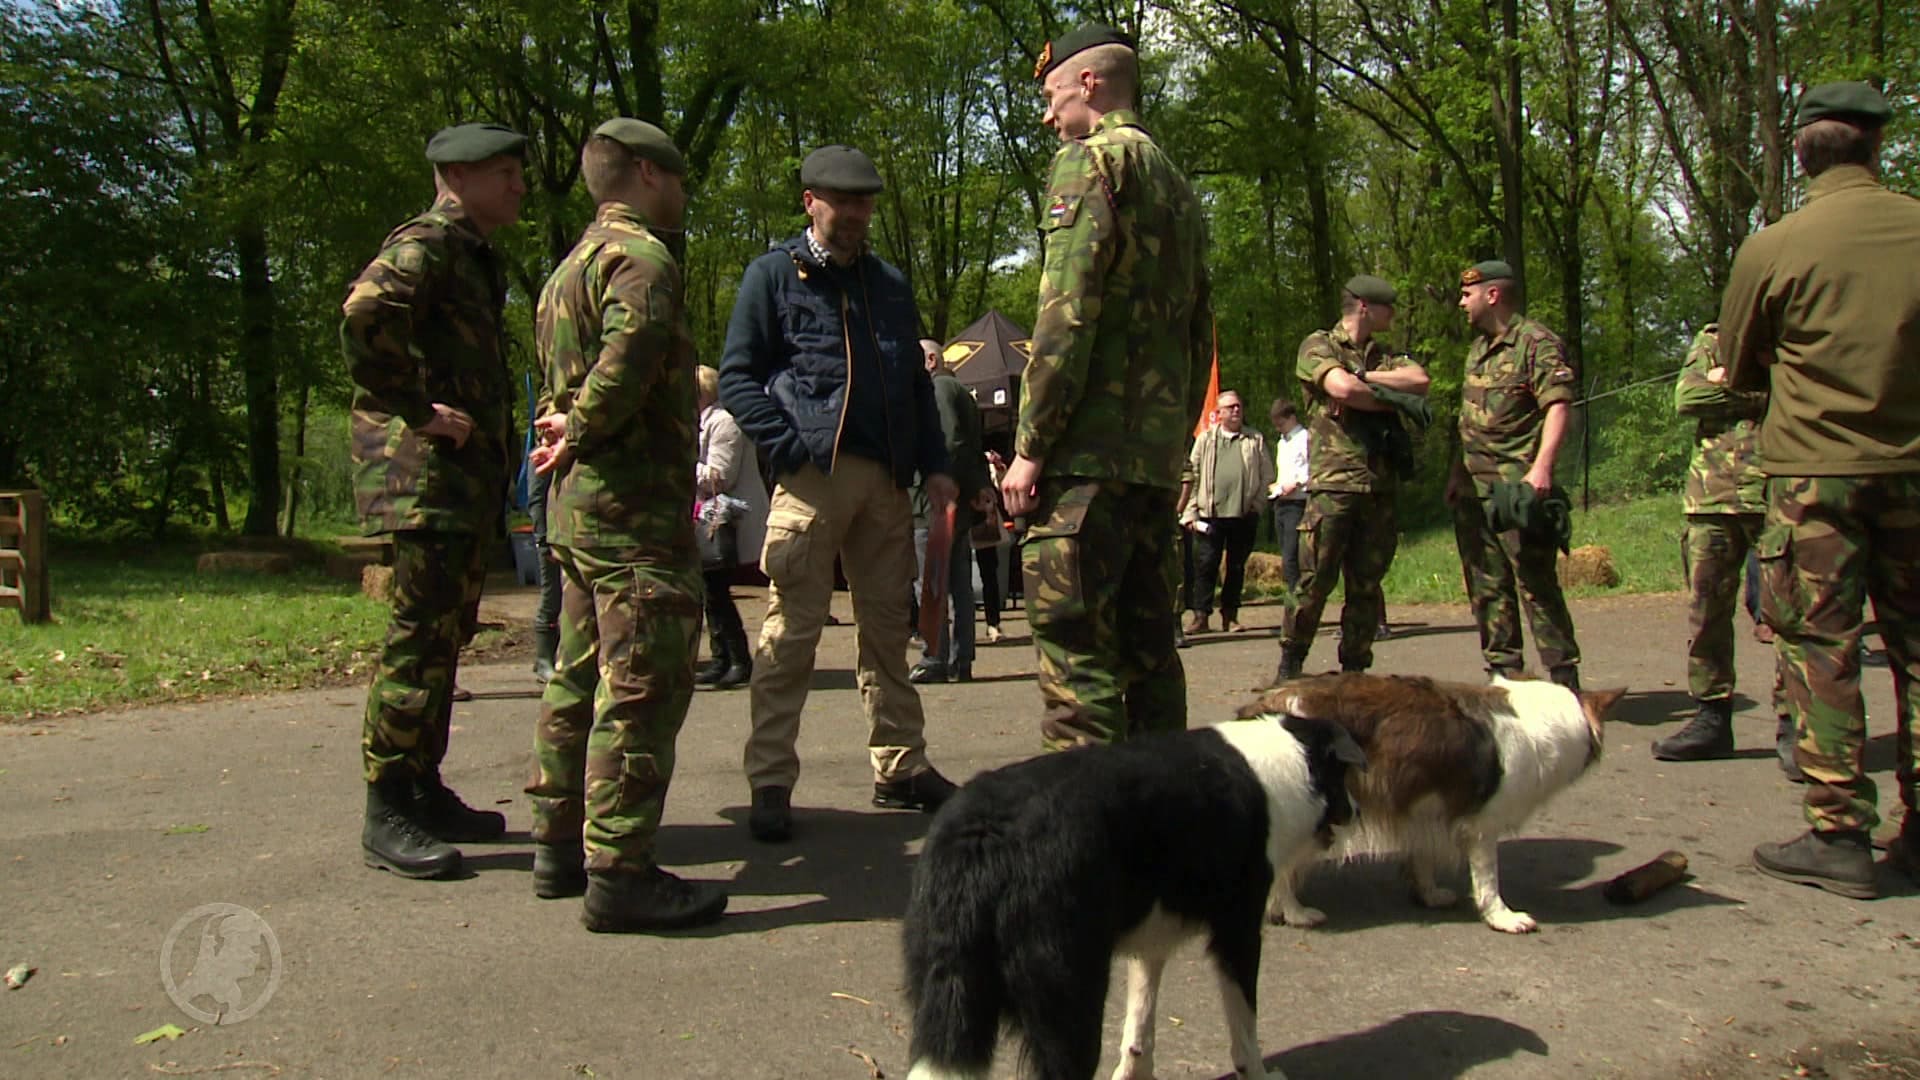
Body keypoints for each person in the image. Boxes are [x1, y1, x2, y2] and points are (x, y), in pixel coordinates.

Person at [717, 144, 960, 843]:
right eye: (841, 201)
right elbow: (737, 378)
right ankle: (770, 779)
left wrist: (936, 463)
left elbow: (916, 387)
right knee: (790, 633)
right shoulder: (772, 275)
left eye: (864, 202)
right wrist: (789, 447)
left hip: (887, 483)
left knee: (887, 631)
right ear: (810, 202)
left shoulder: (889, 284)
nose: (854, 213)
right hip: (812, 479)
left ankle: (900, 766)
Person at [523, 118, 726, 931]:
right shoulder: (641, 258)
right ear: (646, 173)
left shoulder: (565, 269)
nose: (682, 193)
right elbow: (630, 353)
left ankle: (557, 844)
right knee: (641, 682)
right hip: (633, 511)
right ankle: (620, 871)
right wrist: (581, 424)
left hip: (580, 513)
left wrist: (566, 427)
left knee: (576, 675)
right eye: (675, 178)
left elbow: (567, 377)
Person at [1719, 81, 1919, 898]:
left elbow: (1736, 368)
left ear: (1801, 153)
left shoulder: (1773, 247)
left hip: (1814, 480)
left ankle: (1839, 834)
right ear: (1878, 145)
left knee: (1822, 646)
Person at [999, 24, 1213, 749]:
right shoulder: (1177, 184)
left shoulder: (1089, 163)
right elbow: (1199, 329)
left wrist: (1031, 446)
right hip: (1150, 469)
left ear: (1089, 84)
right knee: (1152, 661)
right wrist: (1173, 445)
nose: (1046, 114)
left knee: (1077, 664)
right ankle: (1166, 814)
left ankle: (1089, 819)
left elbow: (1065, 317)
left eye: (1052, 94)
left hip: (1084, 468)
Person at [341, 122, 523, 880]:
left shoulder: (471, 252)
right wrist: (417, 409)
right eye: (505, 172)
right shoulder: (427, 244)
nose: (518, 185)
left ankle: (421, 787)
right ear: (460, 175)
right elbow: (364, 314)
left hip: (459, 482)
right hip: (424, 479)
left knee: (446, 638)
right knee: (419, 639)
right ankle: (386, 805)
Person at [1274, 276, 1430, 682]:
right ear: (1363, 306)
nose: (1393, 314)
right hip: (1334, 486)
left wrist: (1366, 376)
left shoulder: (1385, 355)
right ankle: (1291, 664)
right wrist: (1391, 398)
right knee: (1314, 582)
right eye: (1386, 306)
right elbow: (1341, 388)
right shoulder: (1319, 345)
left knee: (1366, 586)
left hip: (1378, 487)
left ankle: (1355, 672)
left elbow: (1419, 382)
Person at [1446, 260, 1582, 689]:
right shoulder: (1477, 350)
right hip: (1475, 493)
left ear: (1493, 295)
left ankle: (1564, 682)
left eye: (1467, 294)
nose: (1461, 303)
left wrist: (1542, 468)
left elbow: (1558, 405)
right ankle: (1505, 679)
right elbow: (1468, 420)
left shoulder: (1535, 343)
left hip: (1516, 490)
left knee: (1536, 586)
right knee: (1487, 588)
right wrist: (1456, 477)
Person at [1652, 324, 1767, 762]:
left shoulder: (1791, 336)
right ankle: (1712, 718)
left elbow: (1798, 398)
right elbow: (1688, 397)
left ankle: (1795, 725)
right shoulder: (1713, 339)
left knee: (1791, 617)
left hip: (1777, 491)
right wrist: (1759, 390)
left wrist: (1727, 383)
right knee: (1706, 616)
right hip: (1711, 497)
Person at [911, 340, 990, 684]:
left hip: (935, 503)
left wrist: (945, 486)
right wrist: (977, 487)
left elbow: (950, 442)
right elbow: (972, 448)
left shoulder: (939, 389)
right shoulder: (961, 392)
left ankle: (935, 657)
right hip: (956, 501)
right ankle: (961, 658)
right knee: (959, 585)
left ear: (931, 359)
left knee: (931, 583)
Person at [695, 364, 769, 691]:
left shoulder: (725, 423)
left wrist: (683, 463)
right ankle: (720, 658)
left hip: (728, 520)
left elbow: (719, 477)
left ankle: (739, 659)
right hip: (709, 518)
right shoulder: (704, 422)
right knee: (709, 590)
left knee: (717, 590)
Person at [1180, 390, 1273, 634]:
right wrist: (1191, 512)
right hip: (1209, 515)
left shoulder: (1254, 439)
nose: (1236, 410)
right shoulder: (1205, 439)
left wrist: (1257, 506)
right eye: (1230, 407)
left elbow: (1267, 475)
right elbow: (1192, 475)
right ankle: (1201, 617)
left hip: (1243, 515)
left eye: (1238, 406)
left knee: (1236, 567)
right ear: (1218, 413)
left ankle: (1230, 616)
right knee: (1206, 565)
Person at [1268, 398, 1309, 594]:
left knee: (1293, 553)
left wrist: (1297, 482)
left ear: (1292, 418)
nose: (1279, 428)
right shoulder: (1281, 443)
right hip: (1281, 502)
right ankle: (1292, 592)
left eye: (1281, 424)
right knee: (1285, 554)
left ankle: (1298, 595)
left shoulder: (1305, 438)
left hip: (1298, 502)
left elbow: (1313, 469)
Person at [527, 467, 564, 684]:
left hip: (572, 535)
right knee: (552, 596)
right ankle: (543, 660)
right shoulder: (540, 457)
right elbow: (536, 498)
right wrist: (543, 539)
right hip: (551, 538)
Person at [974, 451, 1011, 645]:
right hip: (961, 517)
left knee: (989, 573)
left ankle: (993, 623)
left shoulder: (984, 457)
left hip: (984, 519)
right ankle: (961, 628)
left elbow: (1002, 484)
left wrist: (998, 468)